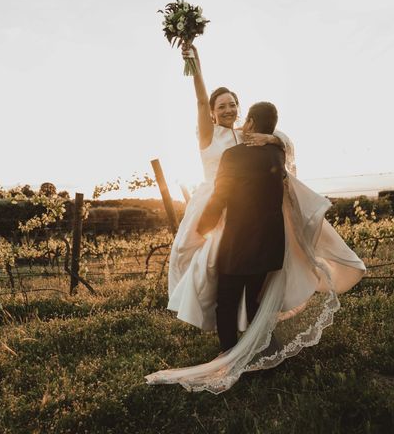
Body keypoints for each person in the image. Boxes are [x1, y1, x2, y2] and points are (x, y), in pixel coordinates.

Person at [145, 43, 366, 394]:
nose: (229, 109)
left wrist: (270, 141)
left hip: (247, 217)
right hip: (217, 213)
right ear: (213, 114)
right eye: (222, 106)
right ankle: (233, 343)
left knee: (250, 280)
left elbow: (284, 152)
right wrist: (195, 65)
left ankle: (249, 339)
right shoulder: (210, 135)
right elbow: (201, 103)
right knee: (212, 277)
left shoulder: (252, 137)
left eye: (233, 103)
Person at [197, 101, 286, 352]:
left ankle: (230, 354)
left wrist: (203, 227)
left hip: (238, 242)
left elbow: (220, 195)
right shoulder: (277, 153)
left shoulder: (232, 155)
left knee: (226, 301)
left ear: (251, 123)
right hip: (270, 242)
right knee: (254, 300)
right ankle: (261, 349)